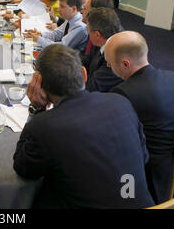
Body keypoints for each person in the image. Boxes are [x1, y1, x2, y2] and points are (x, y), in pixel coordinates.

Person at [13, 44, 154, 209]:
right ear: (84, 74)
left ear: (38, 84)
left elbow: (23, 168)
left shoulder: (44, 125)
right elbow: (144, 157)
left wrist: (36, 109)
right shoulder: (121, 102)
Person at [104, 31, 174, 204]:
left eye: (110, 63)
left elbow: (115, 140)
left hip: (148, 178)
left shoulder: (123, 93)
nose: (107, 65)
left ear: (125, 63)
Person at [24, 0, 88, 51]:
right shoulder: (69, 19)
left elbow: (62, 47)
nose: (58, 9)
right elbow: (56, 35)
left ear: (74, 9)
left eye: (62, 6)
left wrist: (38, 39)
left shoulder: (80, 26)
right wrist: (40, 34)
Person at [84, 7, 123, 92]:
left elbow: (93, 86)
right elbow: (87, 60)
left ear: (97, 35)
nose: (87, 32)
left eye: (88, 29)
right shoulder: (101, 40)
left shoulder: (115, 56)